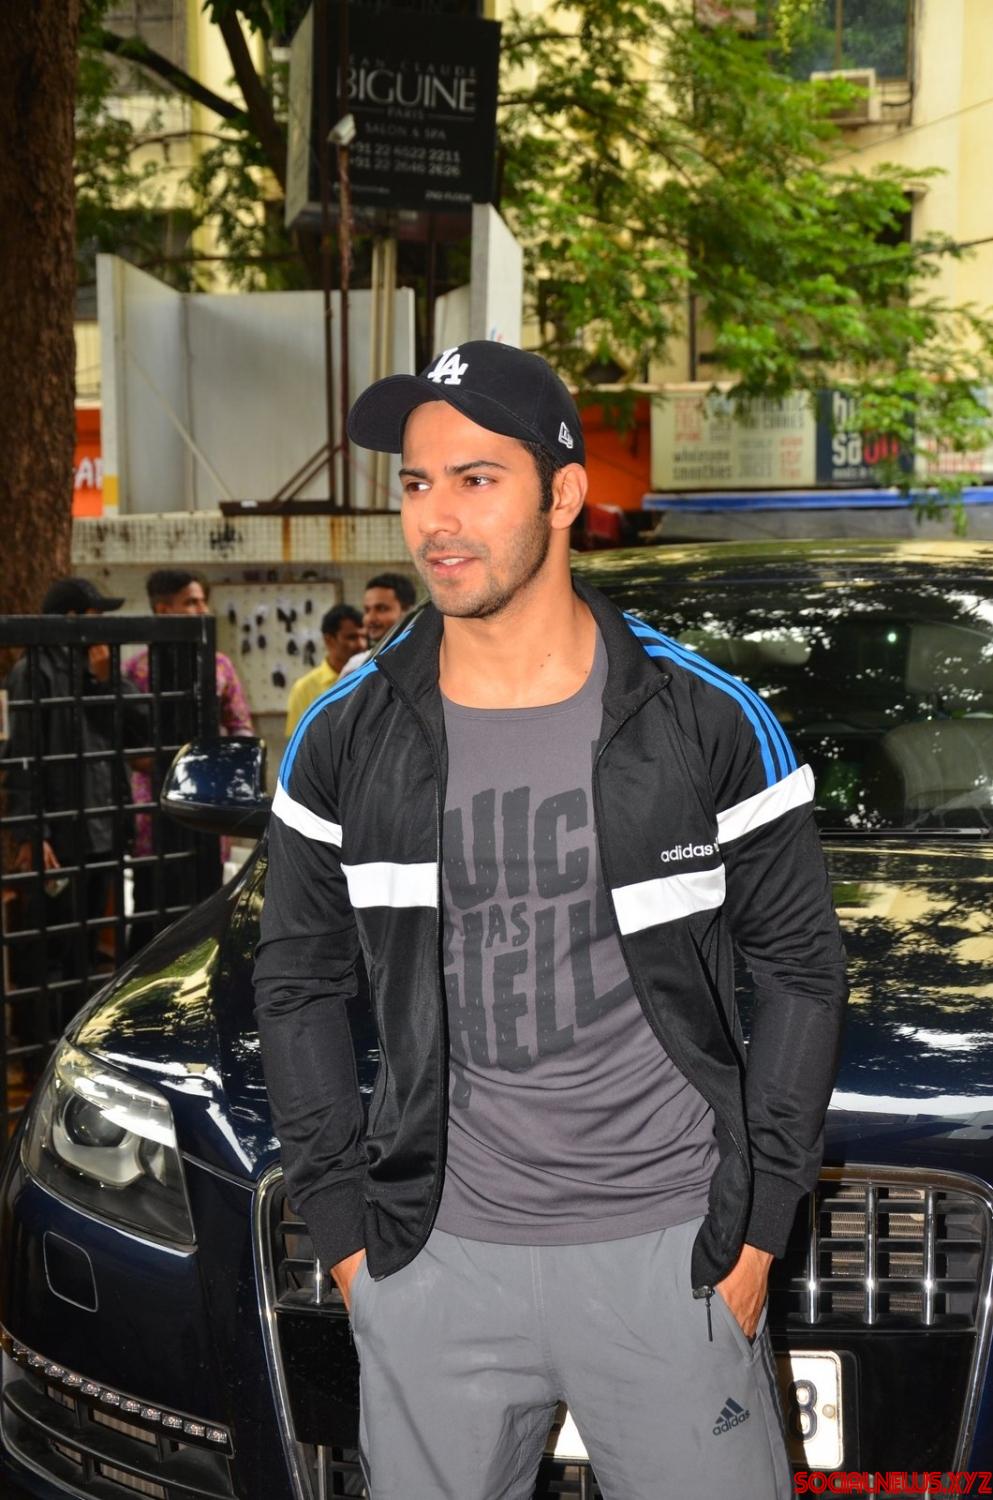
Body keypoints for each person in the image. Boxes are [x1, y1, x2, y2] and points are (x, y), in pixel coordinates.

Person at [254, 342, 848, 1500]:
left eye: (477, 479)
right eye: (417, 483)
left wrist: (757, 1231)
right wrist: (350, 1242)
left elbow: (801, 971)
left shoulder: (704, 720)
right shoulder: (344, 737)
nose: (436, 518)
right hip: (435, 1264)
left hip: (670, 1259)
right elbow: (297, 984)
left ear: (564, 494)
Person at [2, 577, 144, 1074]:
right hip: (61, 834)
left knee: (84, 951)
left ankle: (72, 1051)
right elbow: (23, 755)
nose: (101, 629)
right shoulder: (33, 671)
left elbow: (140, 728)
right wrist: (31, 831)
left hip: (102, 829)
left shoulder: (96, 669)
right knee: (49, 951)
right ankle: (38, 1056)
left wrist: (106, 680)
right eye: (94, 617)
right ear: (70, 620)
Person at [124, 568, 252, 953]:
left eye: (202, 600)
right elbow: (128, 742)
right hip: (153, 806)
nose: (203, 609)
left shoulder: (219, 665)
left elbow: (240, 725)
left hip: (208, 803)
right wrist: (166, 768)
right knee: (152, 904)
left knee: (208, 904)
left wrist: (232, 782)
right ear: (164, 609)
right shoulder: (136, 669)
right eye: (191, 602)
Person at [284, 603, 364, 737]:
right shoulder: (303, 689)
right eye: (351, 637)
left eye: (363, 637)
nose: (361, 644)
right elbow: (297, 741)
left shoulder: (371, 678)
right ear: (329, 640)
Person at [337, 571, 416, 676]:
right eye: (367, 610)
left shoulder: (427, 660)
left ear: (408, 611)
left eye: (381, 609)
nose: (370, 618)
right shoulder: (357, 667)